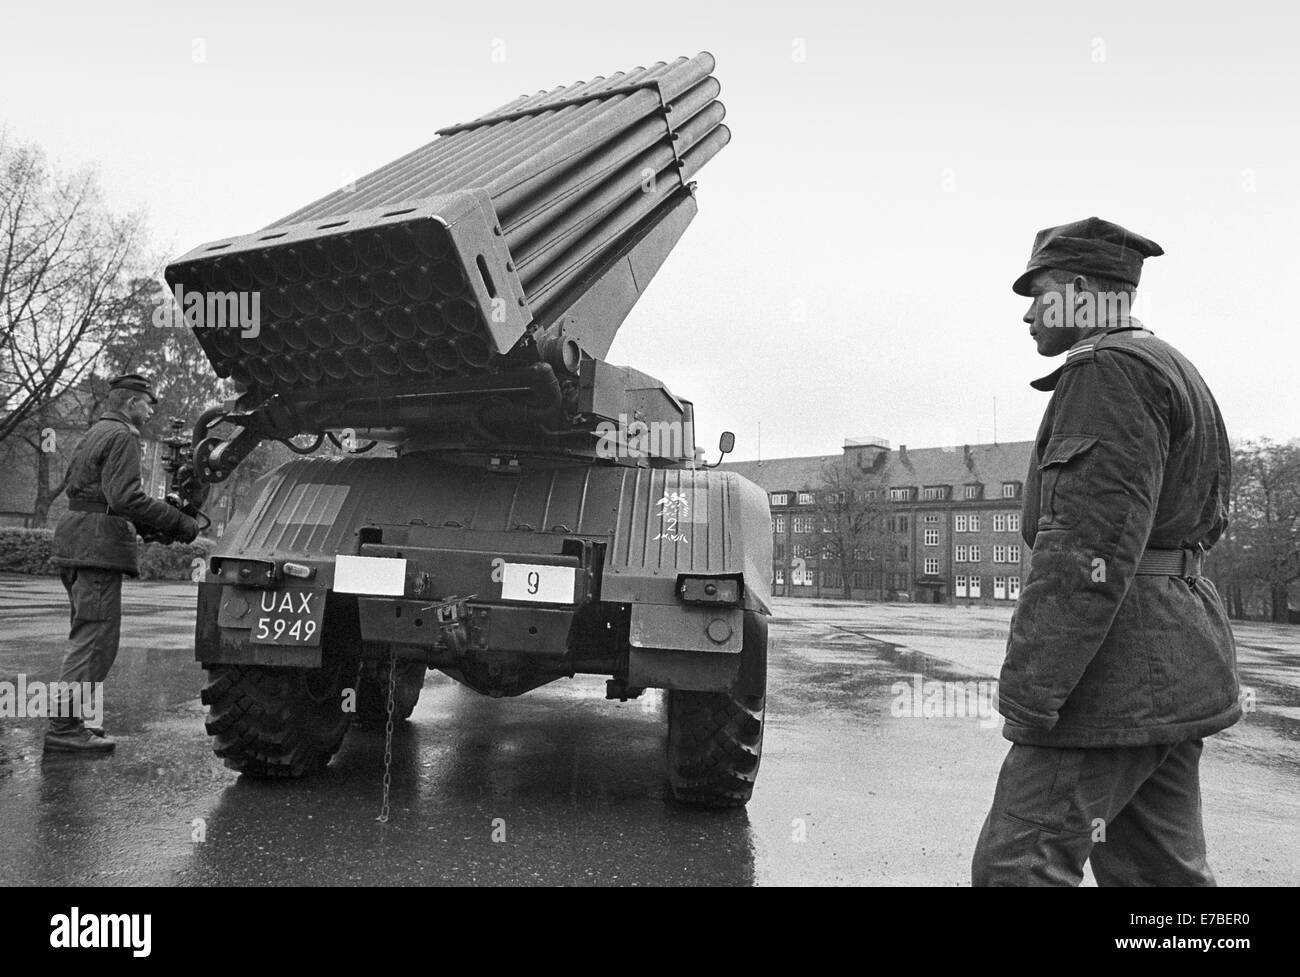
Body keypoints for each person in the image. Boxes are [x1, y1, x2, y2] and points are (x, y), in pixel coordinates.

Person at [971, 218, 1240, 886]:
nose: (1029, 311)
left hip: (1111, 680)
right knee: (1161, 879)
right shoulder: (1170, 363)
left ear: (1084, 290)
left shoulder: (1106, 371)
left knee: (1018, 866)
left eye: (1040, 291)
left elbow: (1086, 552)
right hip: (1174, 665)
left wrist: (1031, 694)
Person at [46, 374, 200, 753]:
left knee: (86, 633)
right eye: (149, 403)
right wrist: (176, 520)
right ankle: (64, 727)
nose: (151, 411)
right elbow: (126, 497)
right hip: (97, 545)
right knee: (96, 638)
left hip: (76, 538)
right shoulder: (125, 435)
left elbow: (93, 492)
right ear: (131, 402)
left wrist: (145, 523)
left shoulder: (95, 432)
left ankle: (72, 720)